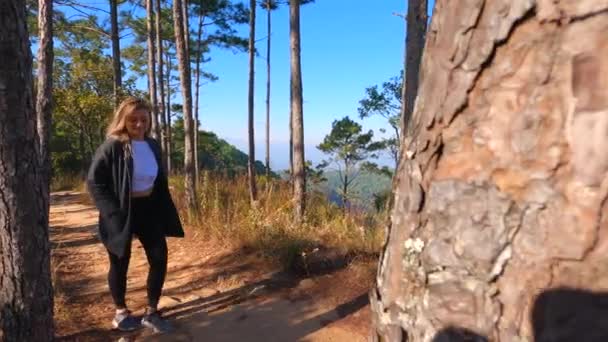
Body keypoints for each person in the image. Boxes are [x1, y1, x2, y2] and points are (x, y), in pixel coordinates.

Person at [87, 97, 184, 333]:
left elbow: (159, 178)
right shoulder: (113, 146)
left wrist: (165, 209)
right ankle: (120, 312)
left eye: (143, 119)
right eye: (133, 119)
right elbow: (94, 182)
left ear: (150, 120)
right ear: (123, 120)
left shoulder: (152, 145)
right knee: (120, 262)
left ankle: (152, 311)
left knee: (159, 257)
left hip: (149, 208)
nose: (139, 124)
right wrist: (111, 212)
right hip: (121, 211)